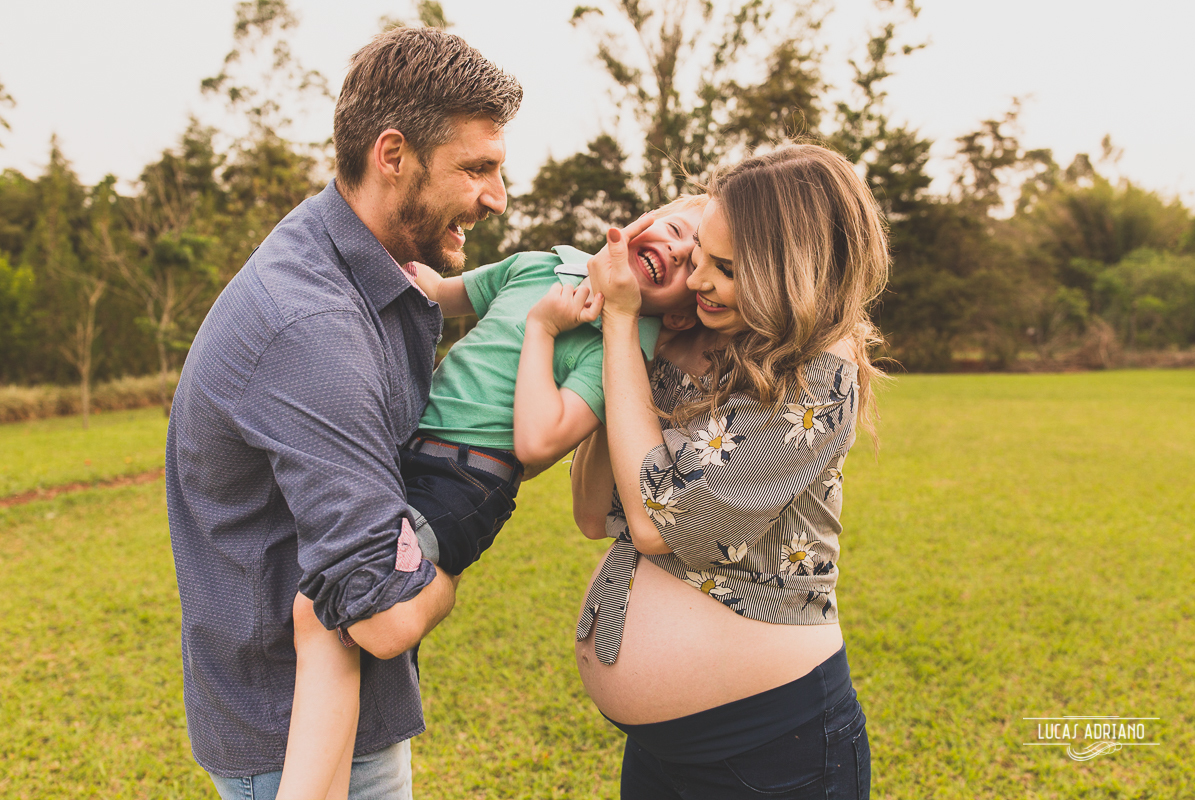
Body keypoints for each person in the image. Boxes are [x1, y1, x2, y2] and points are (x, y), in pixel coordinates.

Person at [165, 27, 522, 800]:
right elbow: (382, 619)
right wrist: (469, 518)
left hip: (342, 705)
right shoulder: (312, 328)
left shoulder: (368, 263)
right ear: (391, 155)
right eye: (478, 167)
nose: (497, 194)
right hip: (295, 733)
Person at [279, 195, 706, 799]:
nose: (676, 248)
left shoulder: (625, 342)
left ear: (682, 318)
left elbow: (537, 443)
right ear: (642, 221)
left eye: (691, 263)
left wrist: (544, 328)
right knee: (334, 610)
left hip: (467, 482)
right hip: (405, 455)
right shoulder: (539, 263)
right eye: (675, 227)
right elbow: (437, 291)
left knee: (326, 613)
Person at [574, 143, 889, 799]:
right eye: (699, 260)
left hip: (771, 753)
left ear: (790, 272)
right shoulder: (709, 349)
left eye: (724, 268)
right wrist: (643, 342)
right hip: (672, 752)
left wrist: (624, 324)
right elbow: (590, 511)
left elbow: (657, 521)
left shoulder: (815, 381)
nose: (697, 281)